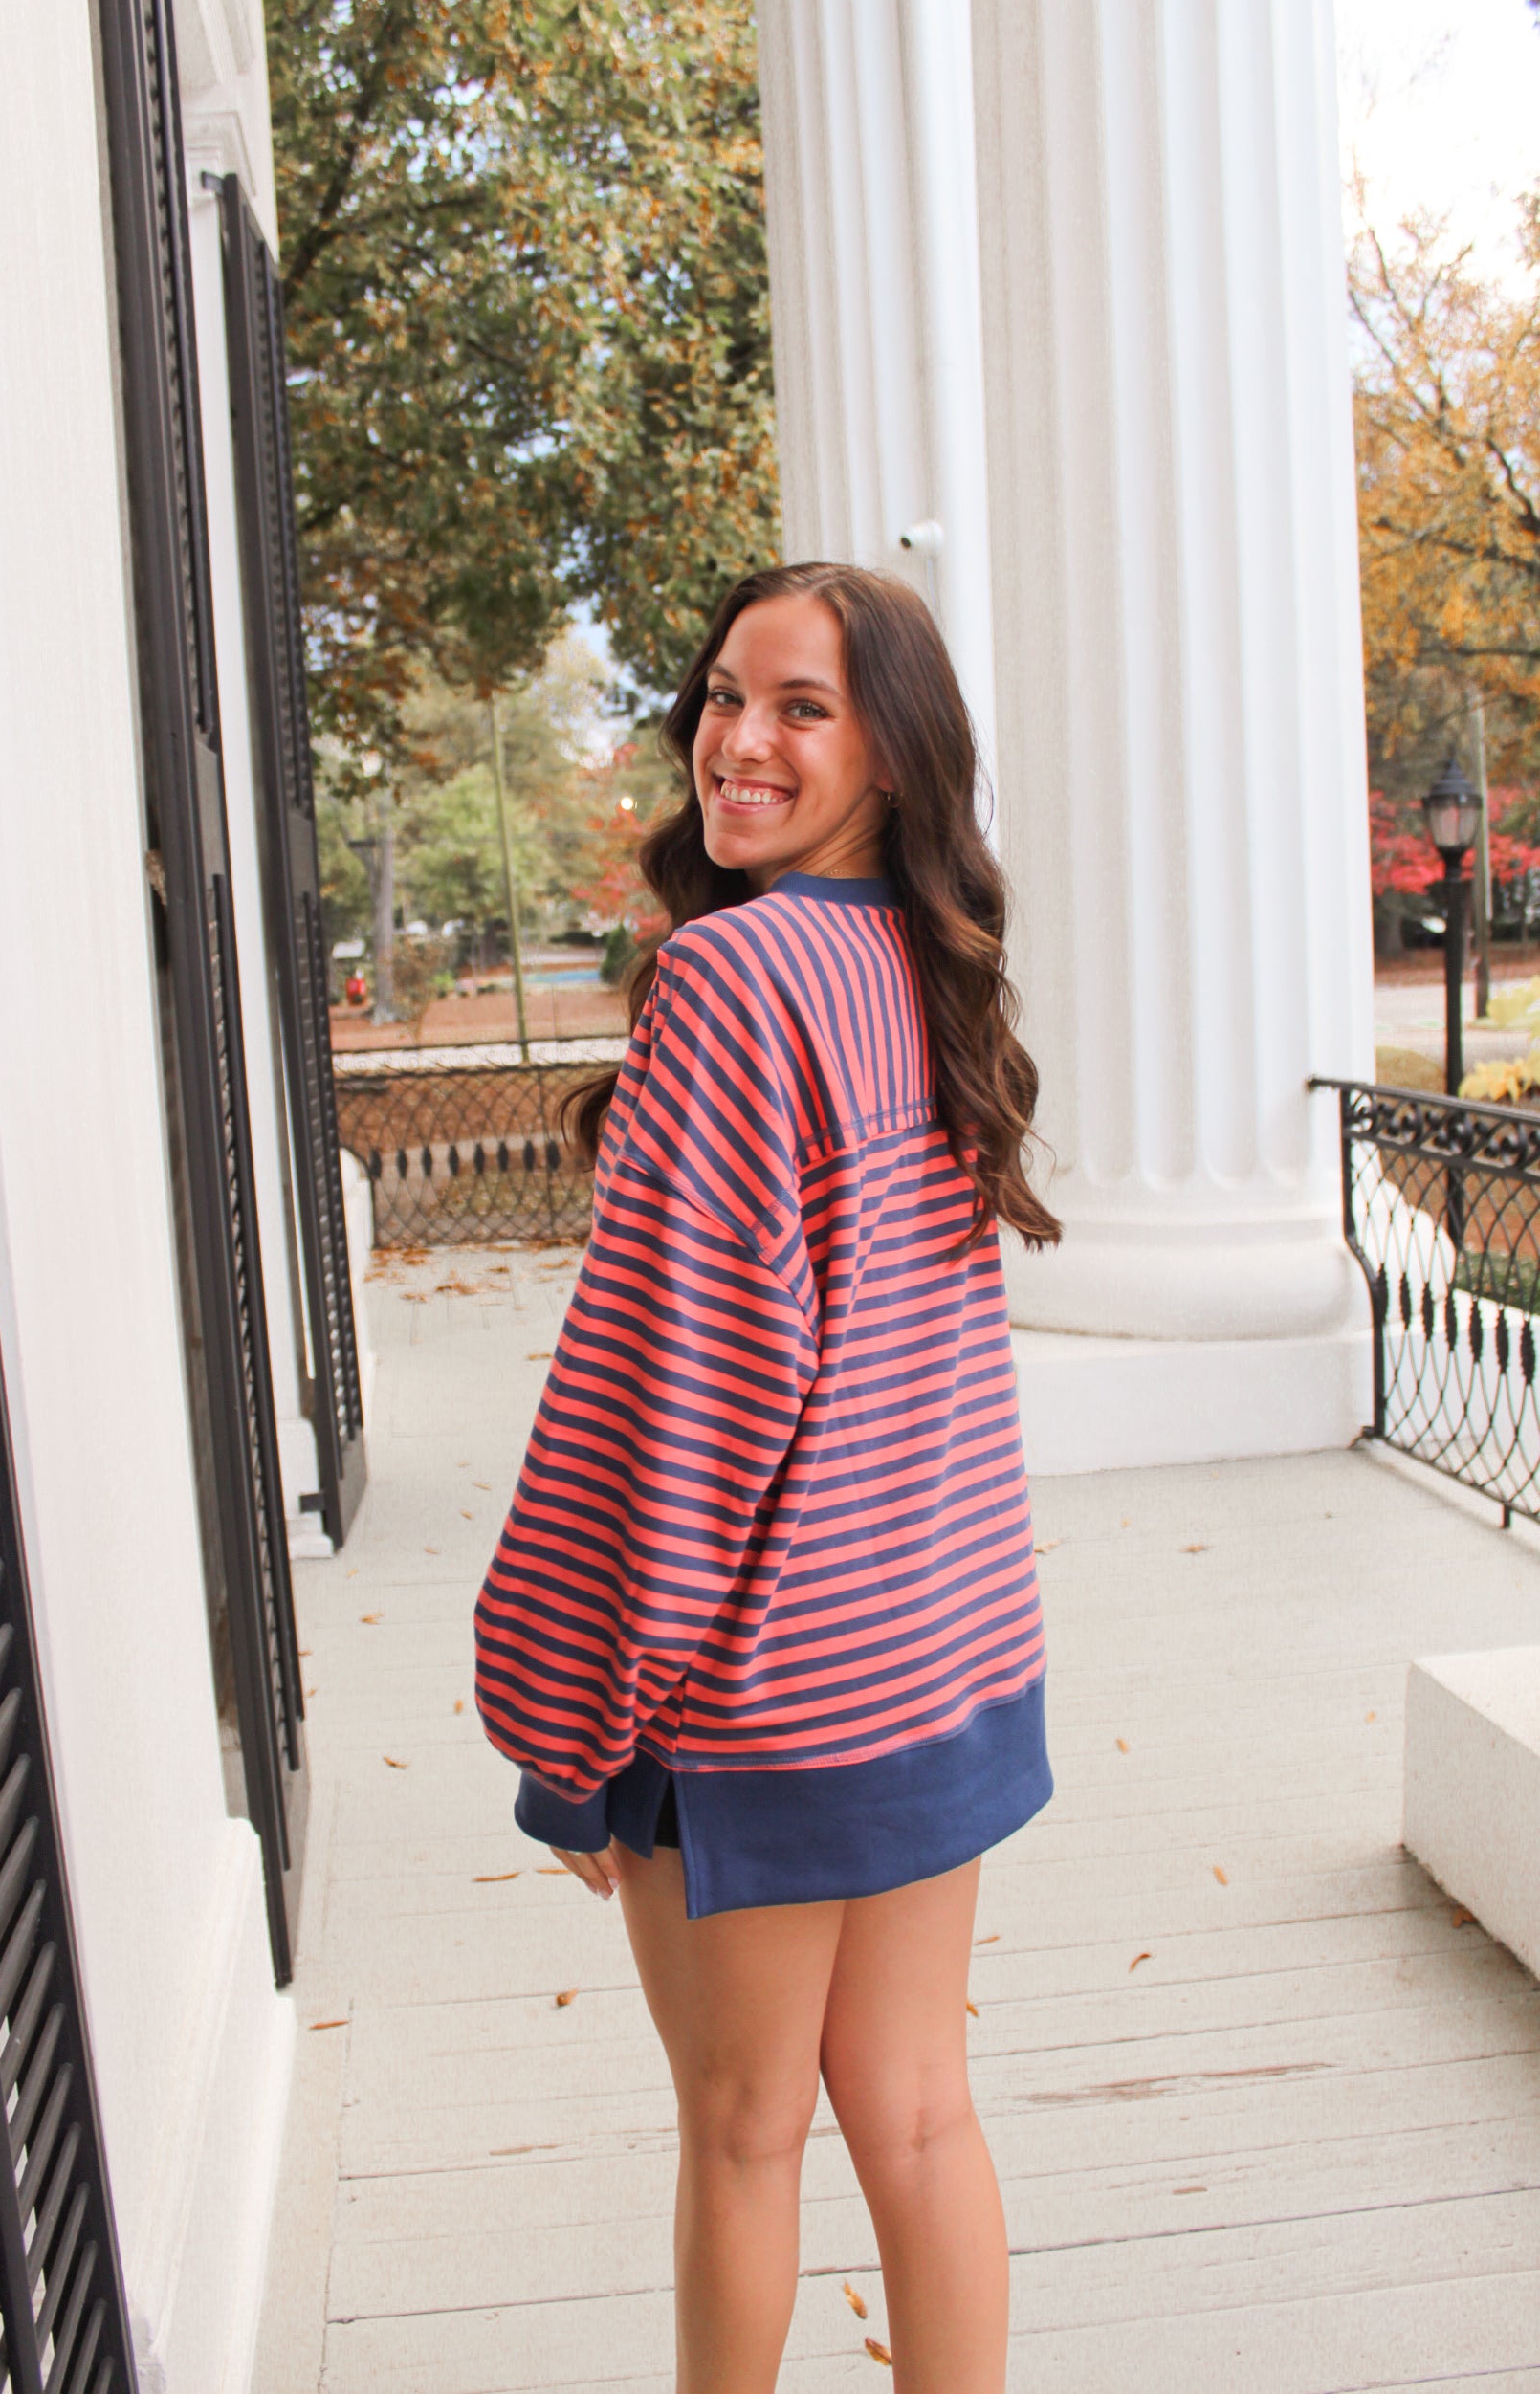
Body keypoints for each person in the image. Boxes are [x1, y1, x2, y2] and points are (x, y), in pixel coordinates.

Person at [474, 561, 1060, 2394]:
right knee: (917, 2117)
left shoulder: (737, 974)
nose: (739, 742)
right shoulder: (915, 962)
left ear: (893, 748)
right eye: (726, 696)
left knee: (744, 2138)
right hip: (941, 1659)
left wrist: (577, 1724)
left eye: (802, 708)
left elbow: (684, 1405)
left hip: (764, 1688)